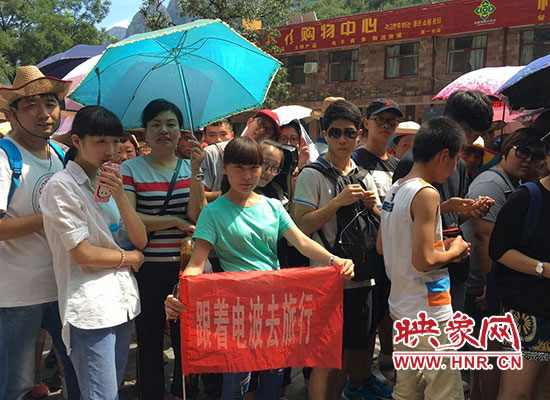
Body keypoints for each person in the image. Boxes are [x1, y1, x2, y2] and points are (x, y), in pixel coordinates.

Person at [165, 136, 354, 399]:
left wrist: (334, 260)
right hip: (237, 308)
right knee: (235, 380)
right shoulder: (213, 212)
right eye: (239, 168)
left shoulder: (273, 207)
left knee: (273, 377)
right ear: (224, 168)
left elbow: (301, 242)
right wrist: (180, 293)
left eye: (253, 167)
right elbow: (197, 263)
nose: (247, 176)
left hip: (274, 306)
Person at [40, 105, 147, 400]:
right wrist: (129, 258)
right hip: (90, 308)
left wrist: (121, 195)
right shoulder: (61, 187)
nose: (110, 150)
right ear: (77, 141)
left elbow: (139, 238)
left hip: (122, 302)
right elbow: (83, 254)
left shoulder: (108, 182)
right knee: (101, 395)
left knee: (110, 390)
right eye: (100, 141)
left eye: (115, 141)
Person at [294, 100, 389, 400]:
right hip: (326, 279)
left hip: (361, 276)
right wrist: (337, 202)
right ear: (324, 134)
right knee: (325, 357)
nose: (343, 140)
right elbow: (301, 226)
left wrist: (373, 207)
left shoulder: (363, 174)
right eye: (335, 133)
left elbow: (381, 222)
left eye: (350, 133)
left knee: (352, 351)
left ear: (359, 134)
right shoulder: (311, 175)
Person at [0, 65, 80, 400]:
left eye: (50, 104)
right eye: (31, 105)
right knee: (15, 385)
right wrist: (49, 216)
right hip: (17, 294)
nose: (44, 113)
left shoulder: (61, 155)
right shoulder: (4, 157)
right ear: (11, 113)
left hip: (64, 285)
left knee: (77, 373)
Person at [378, 116, 471, 400]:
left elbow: (383, 246)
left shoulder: (396, 188)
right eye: (455, 160)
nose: (454, 168)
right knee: (445, 391)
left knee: (407, 389)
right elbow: (424, 261)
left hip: (401, 305)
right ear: (444, 155)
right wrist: (455, 250)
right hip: (429, 309)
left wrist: (441, 244)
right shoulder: (427, 193)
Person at [121, 99, 207, 400]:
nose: (164, 130)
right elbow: (131, 218)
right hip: (148, 267)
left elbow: (198, 215)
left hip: (186, 267)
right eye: (155, 124)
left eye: (171, 124)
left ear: (181, 131)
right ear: (144, 131)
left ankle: (184, 392)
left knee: (187, 338)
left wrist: (195, 171)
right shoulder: (131, 168)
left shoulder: (189, 167)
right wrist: (174, 220)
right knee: (149, 338)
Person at [393, 90, 495, 316]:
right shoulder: (413, 163)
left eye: (476, 135)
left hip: (453, 271)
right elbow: (403, 220)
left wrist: (470, 211)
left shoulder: (458, 163)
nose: (469, 141)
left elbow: (450, 219)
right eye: (468, 132)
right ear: (449, 122)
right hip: (423, 279)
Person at [463, 128, 546, 400]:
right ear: (507, 150)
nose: (528, 160)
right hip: (487, 286)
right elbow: (485, 238)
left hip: (493, 285)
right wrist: (491, 285)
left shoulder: (514, 184)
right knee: (492, 358)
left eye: (535, 156)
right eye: (522, 152)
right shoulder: (494, 184)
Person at [488, 135, 550, 400]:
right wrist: (543, 268)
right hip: (528, 311)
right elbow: (498, 250)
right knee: (518, 392)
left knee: (544, 392)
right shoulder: (528, 197)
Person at [351, 98, 402, 388]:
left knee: (389, 310)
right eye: (380, 119)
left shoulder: (398, 165)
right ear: (367, 123)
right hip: (367, 249)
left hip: (394, 250)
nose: (386, 125)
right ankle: (360, 378)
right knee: (368, 317)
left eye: (391, 121)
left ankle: (386, 361)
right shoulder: (355, 160)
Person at [201, 109, 281, 201]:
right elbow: (196, 194)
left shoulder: (266, 166)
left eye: (269, 130)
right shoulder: (212, 153)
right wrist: (235, 194)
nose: (263, 130)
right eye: (261, 123)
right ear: (249, 122)